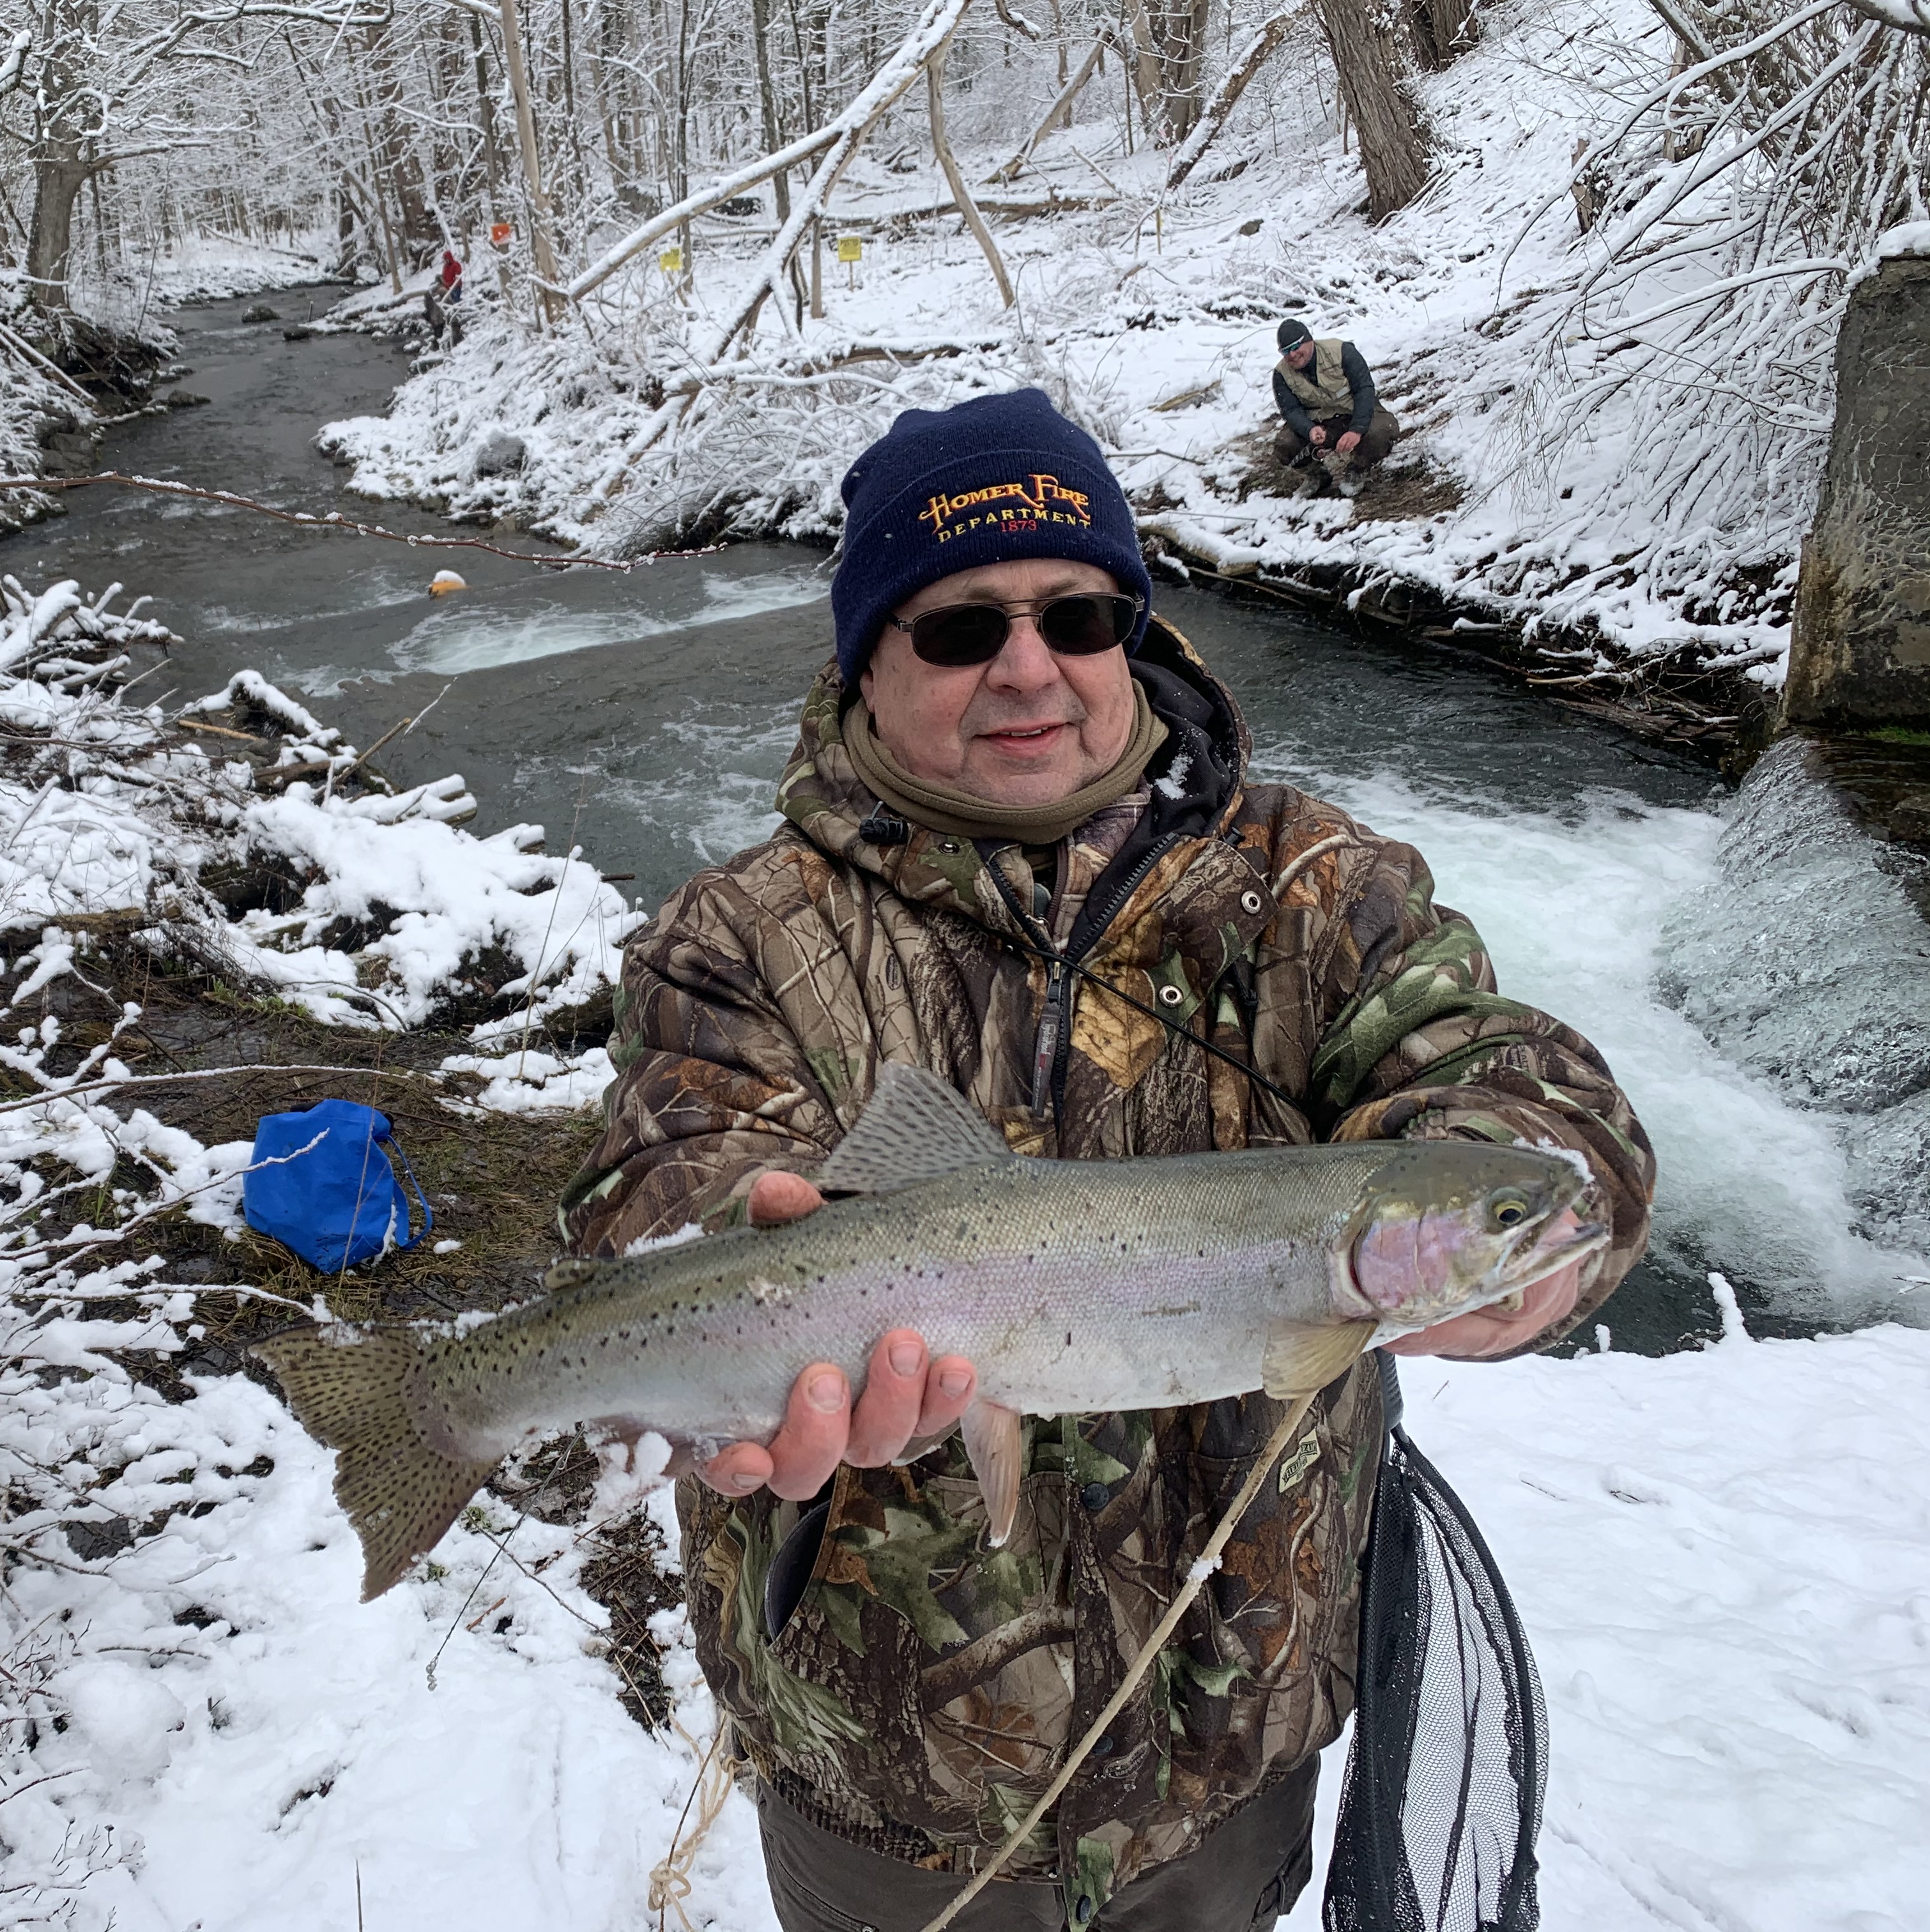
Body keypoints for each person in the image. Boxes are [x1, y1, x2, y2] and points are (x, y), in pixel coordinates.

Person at [560, 389, 1651, 1931]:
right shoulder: (736, 937)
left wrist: (1512, 1199)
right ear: (866, 655)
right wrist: (742, 1267)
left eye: (1078, 613)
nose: (1029, 666)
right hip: (886, 1772)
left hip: (1229, 1739)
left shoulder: (1309, 885)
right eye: (957, 629)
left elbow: (1519, 1085)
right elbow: (659, 1187)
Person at [1269, 319, 1397, 497]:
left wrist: (1357, 430)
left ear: (1309, 340)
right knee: (1285, 444)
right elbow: (1290, 411)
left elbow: (1364, 389)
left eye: (1296, 347)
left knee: (1382, 432)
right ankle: (1318, 476)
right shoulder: (1281, 374)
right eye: (1285, 351)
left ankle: (1358, 469)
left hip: (1354, 412)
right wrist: (1309, 430)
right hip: (1320, 423)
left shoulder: (1342, 351)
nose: (1292, 355)